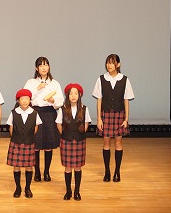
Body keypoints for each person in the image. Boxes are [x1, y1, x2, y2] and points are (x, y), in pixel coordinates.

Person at [92, 53, 135, 182]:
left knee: (118, 142)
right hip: (105, 115)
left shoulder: (124, 79)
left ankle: (117, 171)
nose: (109, 65)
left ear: (118, 64)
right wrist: (99, 118)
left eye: (112, 62)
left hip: (119, 115)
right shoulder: (101, 79)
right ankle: (107, 171)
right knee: (106, 143)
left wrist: (126, 119)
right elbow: (99, 100)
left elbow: (126, 100)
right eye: (107, 62)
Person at [24, 56, 64, 182]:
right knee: (35, 145)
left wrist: (53, 101)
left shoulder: (54, 83)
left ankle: (47, 172)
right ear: (36, 68)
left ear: (49, 67)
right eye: (40, 65)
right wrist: (38, 88)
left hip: (49, 113)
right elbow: (25, 97)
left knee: (48, 145)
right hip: (35, 112)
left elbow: (61, 101)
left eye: (45, 65)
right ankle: (37, 172)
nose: (43, 68)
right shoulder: (31, 82)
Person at [57, 83, 90, 201]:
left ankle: (77, 191)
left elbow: (86, 124)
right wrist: (66, 134)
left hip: (80, 141)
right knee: (67, 168)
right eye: (71, 94)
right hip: (66, 140)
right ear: (67, 95)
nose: (73, 96)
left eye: (76, 93)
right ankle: (68, 191)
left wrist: (79, 134)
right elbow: (59, 124)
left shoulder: (84, 109)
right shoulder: (62, 109)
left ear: (80, 95)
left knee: (78, 167)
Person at [6, 88, 41, 198]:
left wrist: (28, 137)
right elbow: (11, 128)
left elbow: (36, 128)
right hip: (16, 142)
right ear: (18, 101)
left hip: (29, 142)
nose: (25, 101)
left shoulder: (34, 113)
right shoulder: (14, 113)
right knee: (16, 166)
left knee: (29, 166)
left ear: (30, 100)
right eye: (22, 99)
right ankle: (18, 188)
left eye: (27, 99)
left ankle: (27, 188)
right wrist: (17, 138)